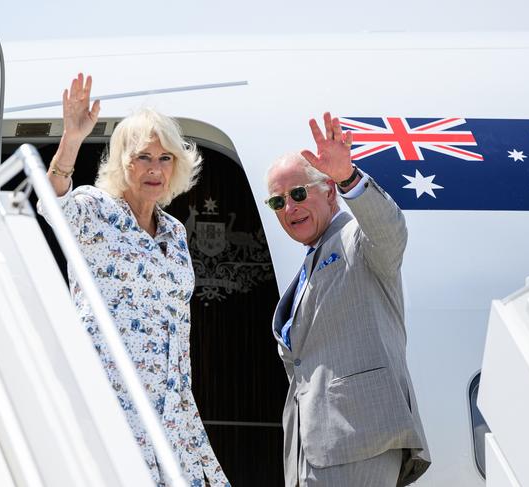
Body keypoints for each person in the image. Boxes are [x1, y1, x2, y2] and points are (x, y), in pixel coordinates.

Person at [38, 73, 230, 487]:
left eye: (165, 159)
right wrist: (71, 140)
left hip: (172, 407)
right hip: (111, 401)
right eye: (143, 157)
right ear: (123, 160)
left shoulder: (175, 233)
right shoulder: (95, 210)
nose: (155, 169)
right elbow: (50, 202)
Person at [265, 112, 430, 486]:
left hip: (359, 439)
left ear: (327, 191)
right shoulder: (312, 260)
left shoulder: (355, 238)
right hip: (315, 450)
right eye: (277, 202)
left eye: (297, 193)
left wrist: (349, 178)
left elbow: (389, 233)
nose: (289, 208)